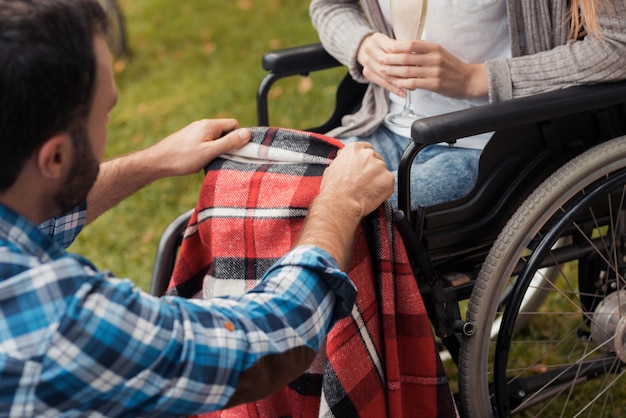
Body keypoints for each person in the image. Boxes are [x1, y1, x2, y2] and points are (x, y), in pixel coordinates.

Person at [0, 0, 394, 416]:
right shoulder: (58, 320)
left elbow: (43, 219)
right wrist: (338, 203)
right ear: (55, 158)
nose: (108, 126)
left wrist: (153, 161)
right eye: (106, 114)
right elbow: (266, 342)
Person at [310, 0, 626, 209]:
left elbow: (617, 46)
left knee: (332, 208)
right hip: (385, 123)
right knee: (280, 191)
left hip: (492, 146)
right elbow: (329, 5)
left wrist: (475, 79)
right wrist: (361, 44)